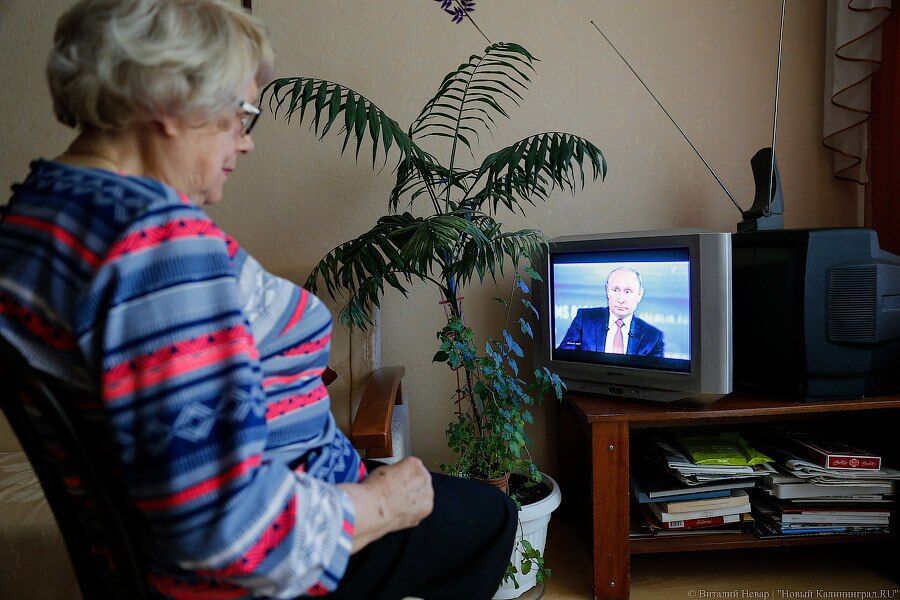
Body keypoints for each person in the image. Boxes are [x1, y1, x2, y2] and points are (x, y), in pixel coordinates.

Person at [0, 1, 516, 598]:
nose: (245, 143)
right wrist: (382, 504)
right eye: (240, 114)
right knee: (490, 517)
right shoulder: (160, 248)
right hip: (260, 558)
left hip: (170, 535)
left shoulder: (37, 211)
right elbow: (228, 529)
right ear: (172, 100)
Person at [558, 267, 665, 357]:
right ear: (606, 290)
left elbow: (654, 374)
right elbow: (564, 358)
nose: (621, 299)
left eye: (628, 291)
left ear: (639, 295)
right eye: (615, 290)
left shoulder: (654, 337)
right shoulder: (584, 319)